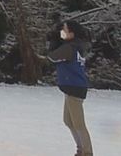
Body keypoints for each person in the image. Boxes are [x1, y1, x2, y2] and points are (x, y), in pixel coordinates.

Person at [46, 20, 93, 156]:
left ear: (72, 33)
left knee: (78, 124)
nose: (62, 32)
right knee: (68, 120)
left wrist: (54, 41)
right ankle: (81, 150)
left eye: (64, 30)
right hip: (73, 86)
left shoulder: (69, 48)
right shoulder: (76, 45)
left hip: (74, 87)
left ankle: (86, 152)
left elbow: (52, 57)